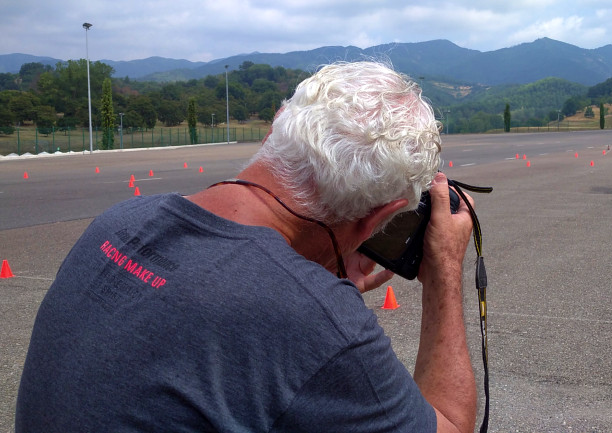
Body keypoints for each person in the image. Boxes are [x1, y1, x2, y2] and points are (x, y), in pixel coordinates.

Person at [16, 61, 478, 433]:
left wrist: (310, 283)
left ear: (276, 127)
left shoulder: (120, 220)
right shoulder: (311, 318)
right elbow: (451, 426)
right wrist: (443, 270)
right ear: (379, 217)